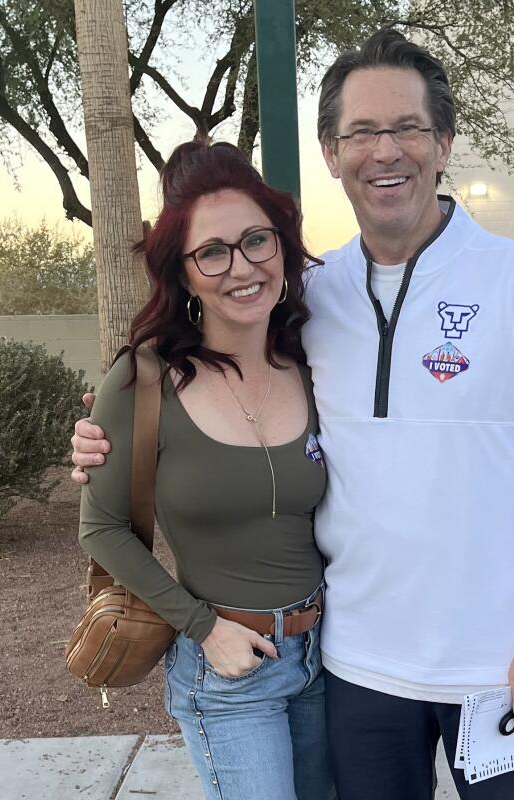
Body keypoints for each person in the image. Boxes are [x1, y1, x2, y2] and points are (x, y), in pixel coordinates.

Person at [73, 28, 514, 800]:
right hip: (358, 671)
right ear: (331, 152)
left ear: (445, 142)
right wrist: (105, 434)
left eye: (407, 128)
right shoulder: (311, 295)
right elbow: (208, 366)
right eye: (360, 132)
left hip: (501, 669)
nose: (384, 151)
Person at [77, 140, 334, 800]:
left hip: (329, 658)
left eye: (257, 240)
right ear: (184, 274)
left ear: (282, 246)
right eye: (212, 252)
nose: (241, 266)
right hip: (228, 669)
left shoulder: (315, 361)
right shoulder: (144, 380)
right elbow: (101, 528)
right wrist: (204, 629)